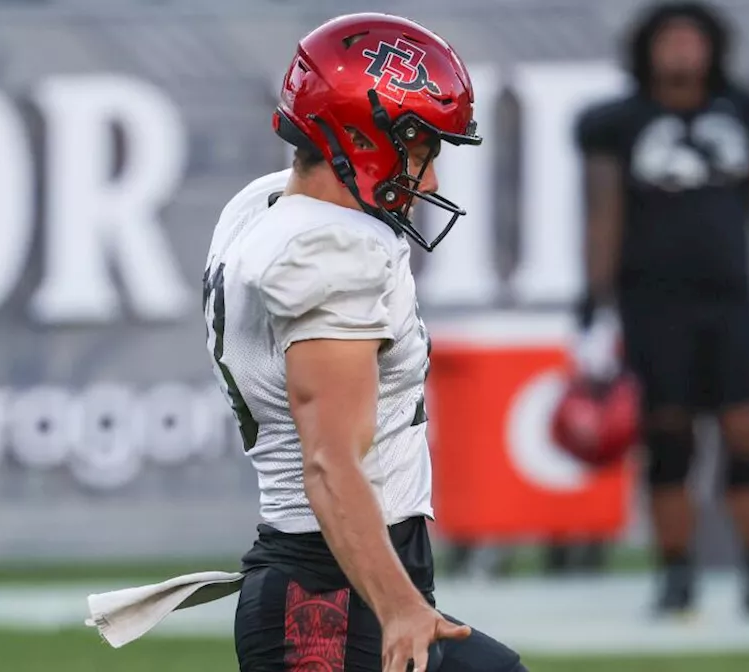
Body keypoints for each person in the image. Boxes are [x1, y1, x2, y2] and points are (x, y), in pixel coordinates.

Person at [202, 13, 526, 672]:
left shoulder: (265, 207)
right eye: (420, 149)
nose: (428, 180)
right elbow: (330, 463)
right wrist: (397, 604)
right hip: (326, 598)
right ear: (362, 135)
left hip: (346, 580)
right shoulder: (330, 250)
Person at [571, 0, 749, 615]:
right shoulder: (617, 122)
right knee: (669, 441)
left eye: (692, 39)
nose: (682, 51)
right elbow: (604, 214)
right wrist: (593, 299)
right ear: (648, 49)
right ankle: (676, 573)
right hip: (653, 304)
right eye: (670, 39)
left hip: (732, 300)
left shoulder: (744, 110)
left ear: (712, 46)